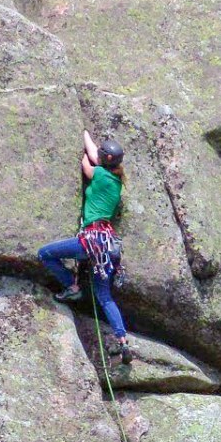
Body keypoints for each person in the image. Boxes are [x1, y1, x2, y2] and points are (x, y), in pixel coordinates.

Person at [38, 130, 132, 363]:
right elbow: (96, 155)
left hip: (91, 240)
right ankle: (123, 341)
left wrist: (79, 133)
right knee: (105, 296)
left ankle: (72, 286)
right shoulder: (117, 181)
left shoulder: (99, 174)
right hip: (108, 245)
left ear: (103, 160)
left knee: (44, 254)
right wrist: (85, 133)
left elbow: (87, 161)